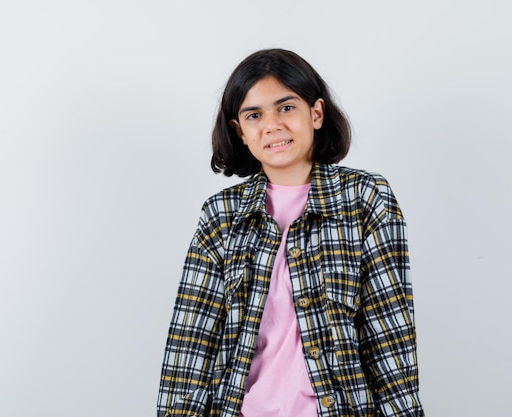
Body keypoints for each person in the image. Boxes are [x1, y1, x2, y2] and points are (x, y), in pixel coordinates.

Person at [157, 48, 425, 417]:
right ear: (240, 131)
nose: (273, 125)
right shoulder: (220, 215)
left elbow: (389, 335)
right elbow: (191, 344)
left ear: (315, 113)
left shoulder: (366, 198)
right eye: (255, 115)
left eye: (286, 108)